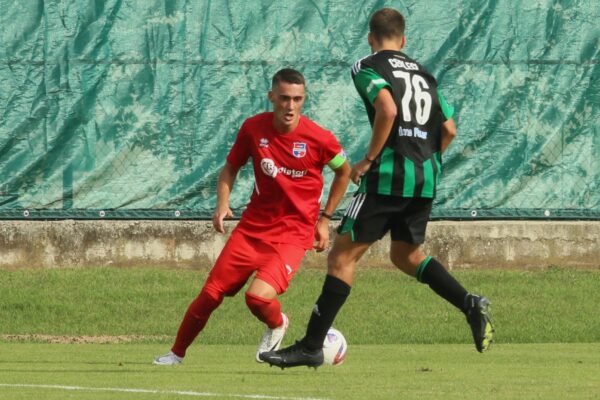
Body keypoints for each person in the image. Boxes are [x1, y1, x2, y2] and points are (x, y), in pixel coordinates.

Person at [260, 8, 495, 369]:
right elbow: (449, 130)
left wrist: (369, 160)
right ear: (403, 41)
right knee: (406, 255)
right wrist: (424, 162)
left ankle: (310, 345)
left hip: (387, 177)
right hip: (424, 179)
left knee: (341, 257)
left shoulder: (367, 65)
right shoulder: (424, 73)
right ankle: (469, 302)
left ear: (371, 38)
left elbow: (387, 109)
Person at [154, 68, 351, 365]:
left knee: (257, 298)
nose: (290, 105)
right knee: (209, 296)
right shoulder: (253, 129)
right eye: (284, 98)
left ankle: (277, 323)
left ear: (304, 99)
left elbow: (344, 171)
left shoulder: (319, 138)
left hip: (294, 234)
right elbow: (230, 168)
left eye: (297, 99)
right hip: (252, 230)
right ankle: (176, 354)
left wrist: (324, 219)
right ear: (272, 97)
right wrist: (222, 204)